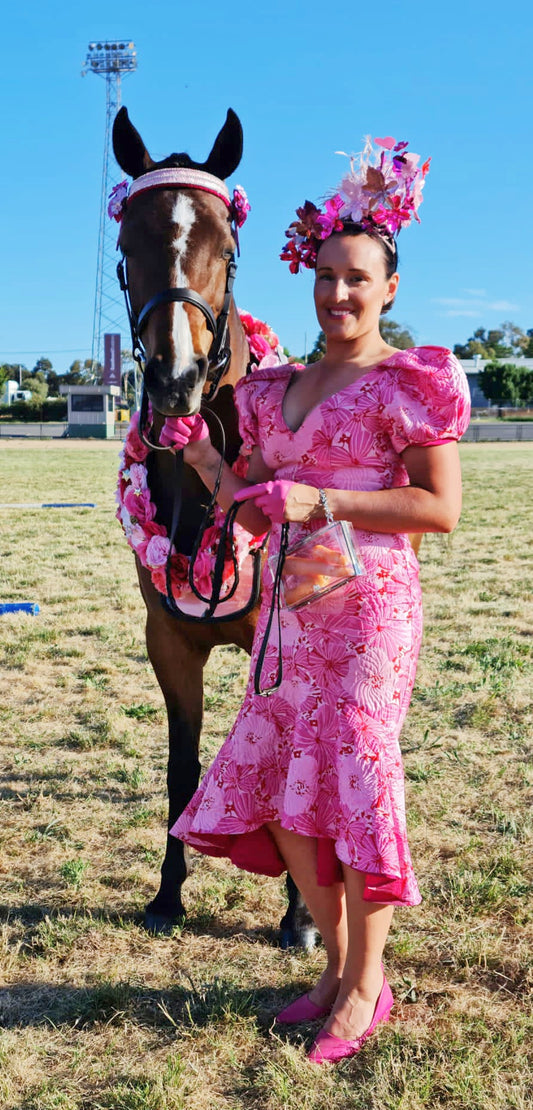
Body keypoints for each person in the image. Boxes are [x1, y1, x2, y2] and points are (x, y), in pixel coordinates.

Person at [164, 136, 471, 1064]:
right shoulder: (276, 390)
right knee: (295, 797)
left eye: (357, 279)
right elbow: (249, 499)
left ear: (387, 290)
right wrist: (203, 456)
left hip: (370, 612)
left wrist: (324, 498)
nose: (337, 294)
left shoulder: (407, 383)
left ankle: (367, 986)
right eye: (325, 277)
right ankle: (334, 969)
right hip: (289, 615)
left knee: (355, 786)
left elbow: (440, 509)